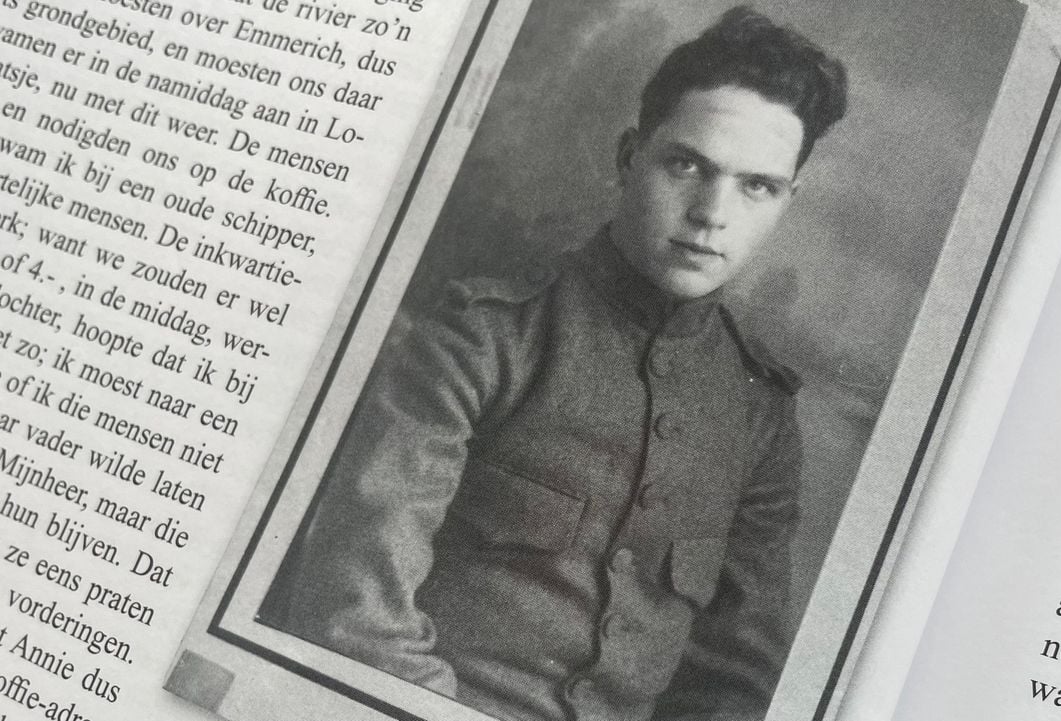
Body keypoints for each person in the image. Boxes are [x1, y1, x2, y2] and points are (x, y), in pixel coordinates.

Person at [284, 7, 847, 721]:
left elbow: (733, 686)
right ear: (627, 158)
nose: (712, 212)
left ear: (786, 202)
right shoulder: (485, 337)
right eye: (687, 164)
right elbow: (353, 617)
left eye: (756, 186)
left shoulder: (761, 417)